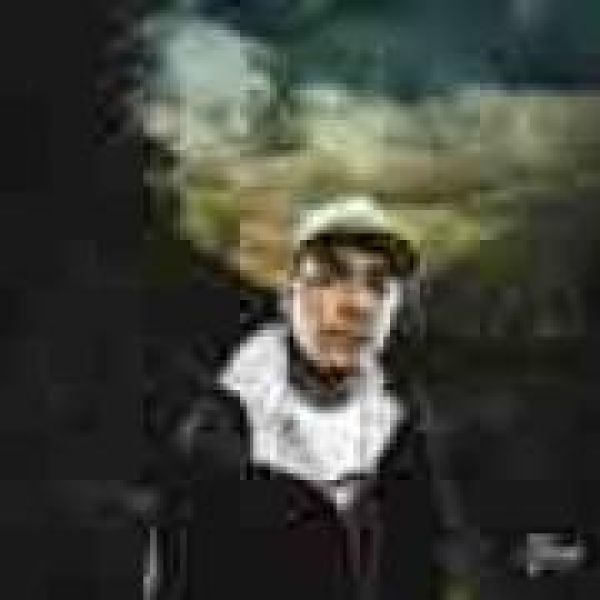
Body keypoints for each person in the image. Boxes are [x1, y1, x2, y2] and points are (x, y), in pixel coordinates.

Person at [143, 196, 478, 599]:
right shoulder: (217, 440)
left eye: (378, 286)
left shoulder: (406, 437)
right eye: (329, 277)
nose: (356, 305)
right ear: (288, 299)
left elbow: (430, 571)